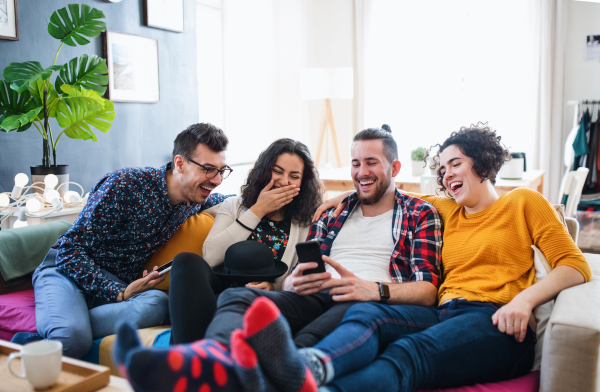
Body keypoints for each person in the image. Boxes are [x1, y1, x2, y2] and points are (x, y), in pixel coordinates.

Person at [163, 123, 591, 392]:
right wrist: (333, 203)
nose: (448, 175)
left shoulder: (508, 204)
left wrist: (525, 300)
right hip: (419, 310)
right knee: (244, 301)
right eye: (443, 169)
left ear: (482, 163)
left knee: (388, 337)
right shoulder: (438, 208)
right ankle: (208, 366)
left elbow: (577, 264)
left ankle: (304, 372)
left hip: (473, 313)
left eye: (456, 164)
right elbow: (378, 197)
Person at [111, 124, 444, 392]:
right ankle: (206, 358)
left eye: (372, 163)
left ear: (395, 167)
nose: (361, 172)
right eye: (355, 164)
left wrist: (374, 289)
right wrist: (295, 279)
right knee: (238, 296)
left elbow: (428, 288)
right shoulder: (333, 213)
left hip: (364, 301)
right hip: (312, 294)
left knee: (298, 341)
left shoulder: (420, 213)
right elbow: (301, 265)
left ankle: (271, 371)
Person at [26, 123, 232, 359]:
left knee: (158, 303)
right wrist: (119, 293)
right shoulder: (125, 184)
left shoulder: (193, 198)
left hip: (117, 285)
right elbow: (69, 252)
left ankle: (63, 327)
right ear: (180, 164)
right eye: (208, 169)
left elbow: (228, 200)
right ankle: (53, 335)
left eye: (222, 170)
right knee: (72, 341)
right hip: (66, 272)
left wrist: (264, 196)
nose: (216, 180)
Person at [168, 138, 324, 344]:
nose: (284, 181)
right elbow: (210, 257)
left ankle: (199, 352)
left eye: (294, 176)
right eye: (277, 171)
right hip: (217, 291)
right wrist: (258, 210)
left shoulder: (307, 222)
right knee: (185, 261)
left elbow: (300, 279)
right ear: (265, 171)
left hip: (261, 300)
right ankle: (186, 361)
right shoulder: (234, 206)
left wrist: (275, 289)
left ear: (303, 183)